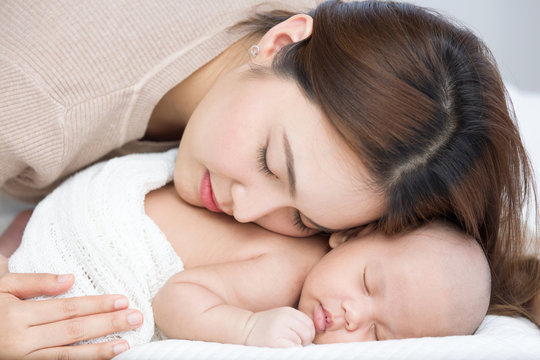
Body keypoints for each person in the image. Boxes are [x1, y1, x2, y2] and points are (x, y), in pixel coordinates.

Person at [1, 0, 539, 357]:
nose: (247, 210)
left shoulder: (345, 70)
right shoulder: (33, 102)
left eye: (303, 218)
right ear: (281, 41)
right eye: (268, 161)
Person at [5, 150, 491, 353]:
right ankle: (24, 253)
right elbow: (174, 297)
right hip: (97, 232)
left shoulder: (317, 235)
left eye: (379, 336)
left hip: (80, 196)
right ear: (350, 235)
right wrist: (248, 326)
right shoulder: (284, 274)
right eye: (366, 283)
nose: (350, 316)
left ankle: (17, 244)